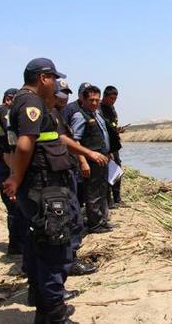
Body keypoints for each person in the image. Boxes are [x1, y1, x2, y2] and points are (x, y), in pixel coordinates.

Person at [3, 58, 75, 323]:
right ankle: (55, 316)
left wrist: (16, 178)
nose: (56, 84)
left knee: (39, 244)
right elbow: (24, 146)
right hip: (43, 187)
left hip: (39, 186)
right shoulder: (31, 102)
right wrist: (15, 179)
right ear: (43, 78)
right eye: (54, 78)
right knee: (55, 250)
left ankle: (43, 308)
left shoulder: (24, 102)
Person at [54, 80, 104, 276]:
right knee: (71, 218)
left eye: (66, 92)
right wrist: (86, 157)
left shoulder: (59, 113)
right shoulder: (70, 114)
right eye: (60, 92)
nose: (63, 96)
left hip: (65, 170)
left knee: (74, 215)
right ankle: (69, 261)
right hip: (57, 175)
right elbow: (70, 140)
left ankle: (69, 259)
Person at [68, 85, 113, 233]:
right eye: (91, 100)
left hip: (102, 158)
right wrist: (83, 162)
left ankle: (102, 220)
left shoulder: (97, 114)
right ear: (83, 99)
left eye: (97, 100)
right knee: (92, 193)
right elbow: (76, 141)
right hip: (91, 161)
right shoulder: (80, 116)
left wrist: (108, 151)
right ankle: (95, 224)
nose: (94, 103)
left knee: (102, 190)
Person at [0, 88, 26, 255]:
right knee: (14, 207)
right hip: (6, 165)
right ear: (8, 99)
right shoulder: (4, 112)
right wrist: (14, 176)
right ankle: (15, 246)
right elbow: (7, 152)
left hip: (7, 163)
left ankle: (19, 242)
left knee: (18, 207)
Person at [100, 85, 126, 208]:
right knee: (106, 173)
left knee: (117, 170)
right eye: (111, 98)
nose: (113, 101)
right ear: (104, 97)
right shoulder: (98, 108)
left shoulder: (112, 109)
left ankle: (117, 198)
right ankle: (108, 200)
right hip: (104, 146)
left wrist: (118, 129)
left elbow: (113, 125)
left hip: (114, 145)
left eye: (115, 99)